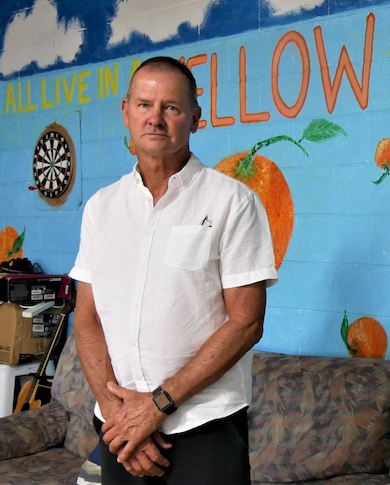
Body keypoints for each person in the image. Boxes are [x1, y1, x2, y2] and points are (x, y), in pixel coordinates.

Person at [70, 56, 277, 484]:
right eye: (145, 105)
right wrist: (117, 413)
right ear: (126, 111)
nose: (156, 118)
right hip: (120, 428)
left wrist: (156, 406)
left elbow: (246, 322)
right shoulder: (100, 208)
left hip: (204, 426)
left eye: (172, 107)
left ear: (195, 118)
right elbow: (87, 317)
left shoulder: (232, 202)